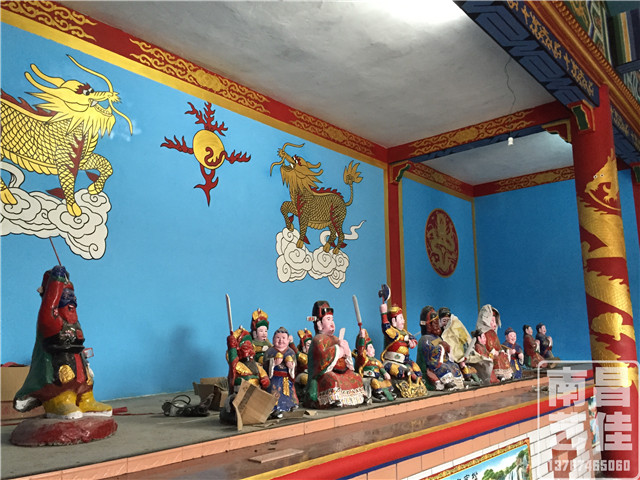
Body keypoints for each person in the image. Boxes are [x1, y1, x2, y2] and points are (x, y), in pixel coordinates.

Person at [13, 265, 112, 419]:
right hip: (57, 367)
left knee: (85, 382)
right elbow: (49, 306)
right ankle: (59, 403)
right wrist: (56, 281)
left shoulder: (74, 321)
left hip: (78, 362)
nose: (71, 300)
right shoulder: (51, 319)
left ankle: (86, 401)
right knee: (63, 382)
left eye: (73, 296)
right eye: (66, 296)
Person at [305, 301, 365, 408]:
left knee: (355, 376)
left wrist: (346, 350)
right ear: (319, 324)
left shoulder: (336, 339)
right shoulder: (318, 340)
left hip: (341, 371)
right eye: (328, 319)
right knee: (332, 379)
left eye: (332, 319)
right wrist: (338, 350)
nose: (332, 323)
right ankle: (333, 399)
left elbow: (348, 360)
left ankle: (359, 397)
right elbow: (322, 359)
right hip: (325, 374)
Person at [221, 326, 270, 424]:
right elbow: (232, 360)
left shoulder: (256, 366)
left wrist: (265, 380)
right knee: (234, 402)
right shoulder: (237, 365)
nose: (249, 351)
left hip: (256, 394)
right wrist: (232, 347)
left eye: (250, 348)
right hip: (240, 394)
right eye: (245, 348)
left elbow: (263, 375)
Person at [380, 302, 427, 398]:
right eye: (401, 318)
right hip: (393, 361)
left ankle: (417, 382)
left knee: (417, 370)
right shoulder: (393, 332)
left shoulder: (405, 332)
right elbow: (386, 328)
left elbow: (413, 339)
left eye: (403, 318)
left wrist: (412, 342)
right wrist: (383, 313)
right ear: (394, 321)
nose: (403, 321)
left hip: (406, 361)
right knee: (400, 373)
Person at [416, 309, 465, 390]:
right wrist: (441, 347)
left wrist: (448, 348)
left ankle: (459, 382)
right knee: (444, 368)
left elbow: (446, 353)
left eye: (437, 322)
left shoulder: (438, 337)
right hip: (433, 366)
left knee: (454, 366)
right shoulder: (425, 339)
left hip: (444, 361)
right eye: (433, 322)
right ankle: (448, 383)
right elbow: (431, 357)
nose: (436, 325)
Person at [438, 306, 483, 384]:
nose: (446, 323)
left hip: (458, 353)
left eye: (448, 320)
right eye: (444, 321)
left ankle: (470, 378)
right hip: (446, 356)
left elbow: (463, 339)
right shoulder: (439, 333)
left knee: (463, 363)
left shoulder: (454, 328)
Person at [264, 327, 298, 417]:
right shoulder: (270, 351)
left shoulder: (291, 352)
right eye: (278, 338)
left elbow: (295, 366)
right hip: (274, 377)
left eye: (283, 338)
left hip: (286, 378)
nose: (281, 340)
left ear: (288, 340)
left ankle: (289, 406)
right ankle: (275, 409)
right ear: (273, 339)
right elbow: (265, 365)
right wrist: (273, 363)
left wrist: (291, 366)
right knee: (274, 390)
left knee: (288, 391)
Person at [355, 328, 395, 402]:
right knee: (375, 382)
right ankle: (377, 394)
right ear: (365, 351)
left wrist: (385, 373)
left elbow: (381, 368)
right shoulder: (364, 360)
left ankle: (388, 394)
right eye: (370, 347)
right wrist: (362, 337)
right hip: (369, 378)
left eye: (372, 347)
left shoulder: (376, 361)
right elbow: (360, 352)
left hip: (378, 377)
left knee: (386, 382)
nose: (373, 349)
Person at [476, 304, 512, 381]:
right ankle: (499, 375)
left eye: (495, 321)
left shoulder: (493, 333)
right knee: (497, 359)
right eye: (492, 321)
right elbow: (487, 346)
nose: (495, 324)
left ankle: (507, 374)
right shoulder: (484, 333)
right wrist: (493, 352)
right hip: (489, 354)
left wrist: (501, 350)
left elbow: (497, 344)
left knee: (504, 356)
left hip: (496, 352)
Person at [293, 328, 313, 399]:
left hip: (311, 375)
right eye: (308, 345)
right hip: (301, 375)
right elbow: (302, 358)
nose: (310, 347)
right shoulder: (302, 355)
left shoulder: (314, 355)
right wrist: (291, 343)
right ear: (303, 346)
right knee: (306, 379)